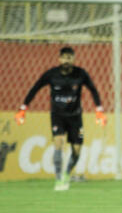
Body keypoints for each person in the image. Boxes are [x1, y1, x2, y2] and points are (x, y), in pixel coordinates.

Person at [14, 46, 106, 191]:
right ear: (59, 59)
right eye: (64, 57)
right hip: (57, 116)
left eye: (69, 58)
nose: (66, 61)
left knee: (77, 150)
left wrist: (99, 111)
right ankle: (58, 179)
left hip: (75, 117)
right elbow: (35, 88)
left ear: (73, 59)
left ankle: (66, 173)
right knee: (59, 143)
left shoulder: (80, 74)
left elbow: (93, 90)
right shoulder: (51, 74)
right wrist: (23, 108)